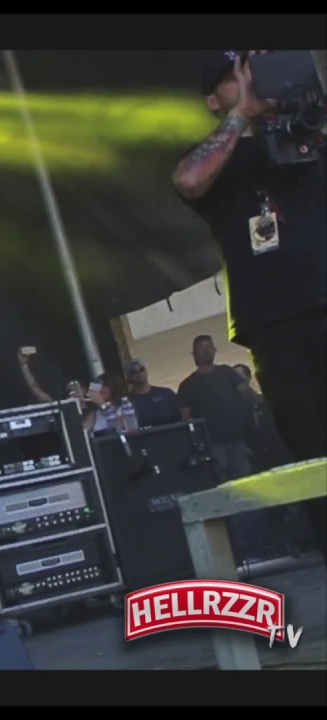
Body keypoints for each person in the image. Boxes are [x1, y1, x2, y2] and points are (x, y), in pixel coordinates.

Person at [171, 49, 326, 556]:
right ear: (213, 101)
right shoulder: (226, 162)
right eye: (232, 79)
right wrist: (243, 115)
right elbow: (189, 179)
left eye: (253, 70)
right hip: (275, 326)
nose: (249, 80)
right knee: (312, 450)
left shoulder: (312, 137)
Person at [177, 335, 253, 482]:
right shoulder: (188, 384)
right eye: (202, 348)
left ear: (214, 350)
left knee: (246, 480)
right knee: (221, 482)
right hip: (211, 444)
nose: (206, 350)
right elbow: (186, 418)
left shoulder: (226, 372)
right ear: (194, 354)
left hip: (236, 438)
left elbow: (245, 391)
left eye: (209, 346)